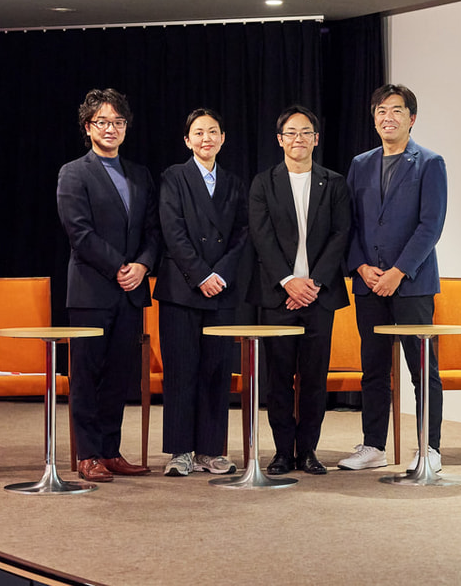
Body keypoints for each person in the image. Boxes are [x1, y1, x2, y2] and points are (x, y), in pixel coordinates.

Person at [338, 84, 448, 472]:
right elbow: (349, 223)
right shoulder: (360, 164)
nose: (389, 117)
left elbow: (430, 226)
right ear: (374, 119)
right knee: (373, 368)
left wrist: (398, 272)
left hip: (412, 283)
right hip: (369, 283)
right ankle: (373, 446)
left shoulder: (430, 163)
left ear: (411, 118)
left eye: (397, 110)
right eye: (381, 111)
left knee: (422, 370)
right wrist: (361, 267)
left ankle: (429, 449)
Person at [57, 88, 161, 483]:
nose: (111, 128)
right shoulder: (73, 172)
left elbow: (153, 231)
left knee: (119, 376)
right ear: (88, 127)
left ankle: (111, 451)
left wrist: (143, 266)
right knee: (87, 376)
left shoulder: (139, 174)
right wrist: (120, 266)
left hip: (132, 292)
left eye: (118, 122)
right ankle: (88, 455)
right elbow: (79, 232)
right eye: (102, 121)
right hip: (91, 291)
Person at [247, 105, 351, 476]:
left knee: (314, 379)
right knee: (278, 380)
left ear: (316, 139)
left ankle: (307, 451)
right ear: (280, 140)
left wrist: (314, 282)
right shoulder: (263, 183)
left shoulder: (334, 183)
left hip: (319, 297)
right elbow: (261, 237)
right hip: (278, 296)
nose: (298, 139)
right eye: (291, 133)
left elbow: (341, 234)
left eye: (306, 132)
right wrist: (289, 281)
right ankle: (281, 452)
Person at [153, 109, 248, 477]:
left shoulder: (234, 182)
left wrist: (219, 274)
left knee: (216, 371)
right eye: (198, 132)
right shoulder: (173, 177)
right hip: (182, 289)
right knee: (181, 370)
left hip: (221, 289)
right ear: (187, 140)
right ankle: (180, 451)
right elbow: (172, 231)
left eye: (212, 132)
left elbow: (242, 234)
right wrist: (200, 274)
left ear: (223, 138)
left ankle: (210, 450)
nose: (206, 138)